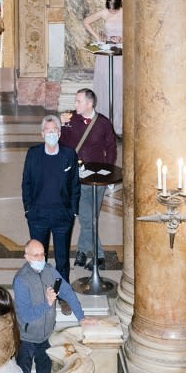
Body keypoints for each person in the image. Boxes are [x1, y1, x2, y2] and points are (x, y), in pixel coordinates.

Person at [12, 238, 84, 373]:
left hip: (45, 337)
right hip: (26, 339)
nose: (40, 258)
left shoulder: (50, 271)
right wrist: (48, 303)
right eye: (36, 255)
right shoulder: (21, 280)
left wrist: (81, 317)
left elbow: (68, 292)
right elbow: (26, 315)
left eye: (42, 254)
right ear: (27, 257)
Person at [61, 88, 116, 271]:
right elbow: (63, 145)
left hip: (97, 178)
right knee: (87, 217)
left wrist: (107, 173)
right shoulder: (70, 121)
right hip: (77, 177)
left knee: (91, 217)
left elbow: (111, 149)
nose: (75, 104)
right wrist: (61, 126)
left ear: (89, 104)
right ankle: (99, 255)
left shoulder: (103, 123)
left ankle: (82, 251)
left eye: (78, 101)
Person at [22, 114, 80, 279]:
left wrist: (73, 211)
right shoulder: (33, 154)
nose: (51, 134)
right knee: (38, 259)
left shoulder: (69, 155)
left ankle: (62, 294)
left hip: (62, 215)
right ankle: (40, 290)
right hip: (38, 215)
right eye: (48, 131)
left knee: (62, 260)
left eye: (54, 130)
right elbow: (26, 184)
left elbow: (75, 184)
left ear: (60, 133)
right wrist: (28, 210)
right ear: (42, 134)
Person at [83, 0, 124, 135]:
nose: (112, 12)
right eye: (110, 10)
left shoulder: (125, 13)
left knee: (119, 85)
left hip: (120, 51)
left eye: (114, 11)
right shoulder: (104, 12)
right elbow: (86, 21)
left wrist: (123, 37)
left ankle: (118, 123)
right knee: (106, 85)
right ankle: (104, 124)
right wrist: (99, 38)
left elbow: (134, 28)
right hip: (106, 51)